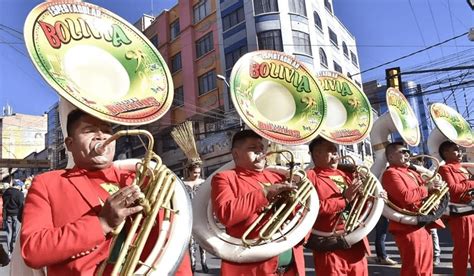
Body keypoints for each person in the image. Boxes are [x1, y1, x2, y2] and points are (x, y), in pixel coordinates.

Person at [20, 109, 192, 275]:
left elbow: (172, 242)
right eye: (89, 130)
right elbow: (32, 250)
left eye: (107, 130)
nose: (101, 136)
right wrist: (101, 223)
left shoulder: (143, 178)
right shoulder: (48, 183)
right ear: (70, 144)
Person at [211, 129, 304, 275]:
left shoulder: (277, 177)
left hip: (290, 267)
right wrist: (265, 193)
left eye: (262, 148)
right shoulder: (224, 178)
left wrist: (294, 224)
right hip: (253, 268)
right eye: (252, 149)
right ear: (236, 154)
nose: (260, 153)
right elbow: (226, 214)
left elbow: (303, 212)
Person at [305, 137, 370, 275]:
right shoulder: (310, 176)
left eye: (336, 152)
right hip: (330, 245)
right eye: (331, 152)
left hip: (355, 241)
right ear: (316, 154)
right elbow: (310, 210)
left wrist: (371, 198)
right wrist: (344, 199)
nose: (336, 156)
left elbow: (360, 205)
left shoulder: (346, 174)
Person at [382, 142, 444, 276]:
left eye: (407, 152)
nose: (407, 154)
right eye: (402, 152)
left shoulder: (412, 172)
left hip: (423, 223)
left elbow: (424, 192)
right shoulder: (390, 173)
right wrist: (427, 188)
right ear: (391, 157)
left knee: (426, 269)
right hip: (407, 227)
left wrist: (434, 192)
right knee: (414, 269)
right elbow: (405, 197)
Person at [438, 141, 474, 276]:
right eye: (455, 150)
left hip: (471, 211)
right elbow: (452, 190)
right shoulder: (445, 169)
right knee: (462, 251)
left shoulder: (462, 168)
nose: (460, 153)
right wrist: (471, 182)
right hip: (460, 216)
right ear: (445, 153)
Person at [411, 154, 441, 266]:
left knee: (433, 231)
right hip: (417, 206)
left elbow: (434, 189)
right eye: (417, 160)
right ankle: (426, 256)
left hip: (428, 205)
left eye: (421, 160)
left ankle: (436, 255)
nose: (419, 163)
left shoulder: (426, 173)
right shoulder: (411, 174)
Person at [183, 163, 208, 273]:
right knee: (191, 242)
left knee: (202, 240)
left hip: (201, 214)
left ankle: (204, 262)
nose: (197, 175)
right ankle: (192, 264)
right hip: (188, 215)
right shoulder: (184, 184)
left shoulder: (203, 183)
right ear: (189, 172)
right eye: (194, 172)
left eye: (198, 172)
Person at [3, 179, 25, 255]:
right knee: (15, 233)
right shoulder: (20, 194)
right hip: (17, 215)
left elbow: (4, 205)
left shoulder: (6, 193)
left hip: (8, 215)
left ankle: (9, 250)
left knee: (9, 232)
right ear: (18, 186)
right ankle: (14, 250)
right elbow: (21, 206)